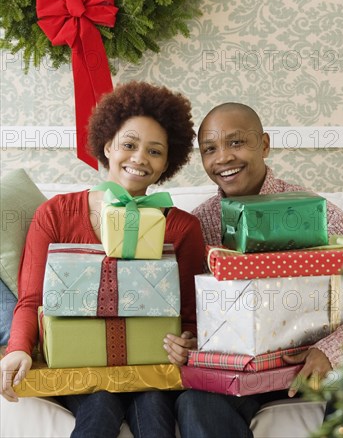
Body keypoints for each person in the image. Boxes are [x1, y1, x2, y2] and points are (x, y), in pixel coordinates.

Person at [0, 81, 205, 438]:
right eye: (129, 145)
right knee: (98, 409)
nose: (140, 158)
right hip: (79, 363)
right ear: (108, 146)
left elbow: (191, 313)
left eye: (155, 151)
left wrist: (188, 340)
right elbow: (33, 300)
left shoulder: (183, 228)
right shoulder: (56, 214)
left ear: (166, 164)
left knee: (155, 413)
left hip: (152, 366)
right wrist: (18, 349)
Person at [175, 102, 343, 438]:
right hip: (244, 377)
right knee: (193, 404)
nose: (223, 158)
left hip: (315, 366)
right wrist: (187, 341)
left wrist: (331, 351)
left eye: (236, 142)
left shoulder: (316, 213)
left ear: (264, 145)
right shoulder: (199, 224)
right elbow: (189, 312)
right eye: (209, 149)